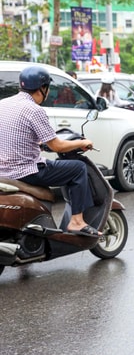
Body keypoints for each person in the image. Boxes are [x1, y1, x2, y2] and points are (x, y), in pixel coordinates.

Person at [0, 65, 100, 237]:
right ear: (43, 88)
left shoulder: (3, 104)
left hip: (3, 170)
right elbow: (57, 146)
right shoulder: (34, 110)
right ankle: (77, 221)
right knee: (78, 169)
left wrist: (37, 144)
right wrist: (82, 142)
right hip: (26, 171)